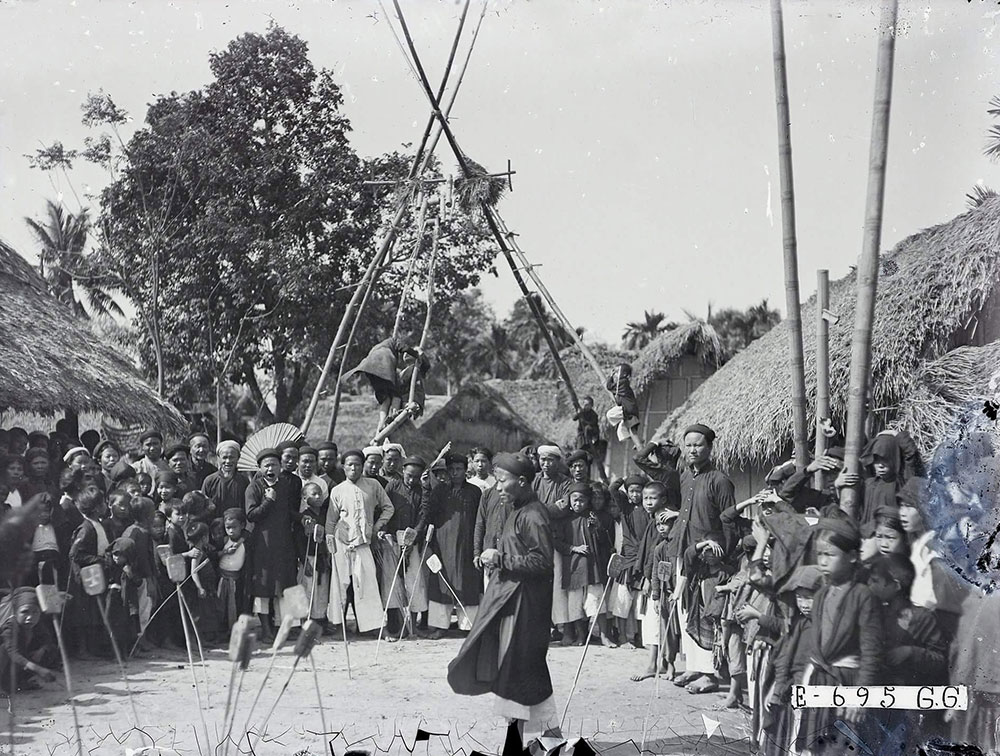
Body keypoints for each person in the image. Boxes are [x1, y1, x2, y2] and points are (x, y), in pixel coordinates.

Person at [447, 451, 561, 739]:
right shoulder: (519, 510)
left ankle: (521, 739)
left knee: (518, 667)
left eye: (501, 481)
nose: (497, 487)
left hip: (526, 606)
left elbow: (543, 562)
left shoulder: (533, 515)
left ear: (522, 481)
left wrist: (501, 559)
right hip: (514, 601)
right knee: (526, 667)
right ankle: (551, 734)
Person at [791, 519, 882, 755]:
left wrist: (861, 697)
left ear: (852, 556)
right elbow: (816, 648)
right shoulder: (821, 595)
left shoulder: (863, 596)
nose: (822, 561)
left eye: (830, 554)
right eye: (819, 554)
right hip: (821, 683)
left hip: (848, 685)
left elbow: (871, 652)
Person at [668, 424, 736, 693]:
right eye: (689, 445)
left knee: (709, 612)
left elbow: (729, 521)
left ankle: (712, 674)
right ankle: (695, 666)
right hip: (686, 552)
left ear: (709, 448)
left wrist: (723, 553)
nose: (692, 450)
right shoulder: (685, 476)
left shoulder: (719, 480)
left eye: (698, 445)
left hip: (709, 556)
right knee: (688, 608)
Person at [326, 450, 395, 635]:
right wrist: (330, 545)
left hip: (363, 543)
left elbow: (388, 508)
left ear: (362, 465)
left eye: (357, 464)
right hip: (341, 544)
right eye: (350, 464)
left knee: (368, 584)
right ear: (344, 466)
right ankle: (338, 627)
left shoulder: (373, 485)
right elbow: (331, 521)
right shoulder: (337, 490)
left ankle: (376, 628)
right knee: (339, 585)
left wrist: (376, 527)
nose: (354, 468)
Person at [419, 451, 482, 638]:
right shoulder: (439, 491)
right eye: (452, 469)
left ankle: (467, 626)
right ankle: (440, 626)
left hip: (467, 544)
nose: (455, 473)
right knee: (441, 581)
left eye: (459, 469)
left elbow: (480, 519)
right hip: (443, 542)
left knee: (468, 581)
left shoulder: (475, 492)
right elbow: (428, 515)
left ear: (465, 471)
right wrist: (425, 489)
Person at [244, 448, 299, 643]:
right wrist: (268, 500)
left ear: (280, 466)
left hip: (283, 542)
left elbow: (288, 511)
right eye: (266, 465)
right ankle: (265, 630)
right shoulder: (254, 488)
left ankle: (285, 627)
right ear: (259, 468)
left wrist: (303, 518)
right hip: (263, 544)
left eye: (274, 464)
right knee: (263, 586)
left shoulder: (284, 485)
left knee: (284, 584)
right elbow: (251, 515)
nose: (270, 468)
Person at [555, 481, 614, 647]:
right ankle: (581, 635)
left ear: (587, 501)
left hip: (592, 566)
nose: (577, 503)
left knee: (596, 600)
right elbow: (557, 542)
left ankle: (604, 635)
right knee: (575, 603)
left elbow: (605, 542)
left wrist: (597, 528)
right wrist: (573, 548)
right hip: (573, 566)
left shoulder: (592, 517)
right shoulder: (564, 520)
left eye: (581, 500)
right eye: (574, 500)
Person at [342, 336, 425, 431]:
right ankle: (393, 415)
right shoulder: (393, 341)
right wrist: (416, 354)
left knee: (385, 398)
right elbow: (404, 347)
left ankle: (381, 423)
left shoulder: (377, 347)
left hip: (368, 368)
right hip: (382, 363)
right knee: (395, 395)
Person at [386, 455, 430, 635]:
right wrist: (389, 535)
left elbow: (423, 516)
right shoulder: (393, 486)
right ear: (402, 470)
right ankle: (395, 626)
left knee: (413, 582)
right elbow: (385, 509)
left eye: (416, 477)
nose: (412, 480)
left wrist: (412, 539)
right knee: (393, 583)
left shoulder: (422, 491)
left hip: (413, 542)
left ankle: (412, 625)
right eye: (409, 475)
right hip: (393, 541)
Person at [0, 587, 59, 693]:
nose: (29, 617)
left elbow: (47, 640)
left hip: (18, 664)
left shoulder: (37, 625)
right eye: (24, 612)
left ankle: (21, 681)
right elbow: (13, 653)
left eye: (35, 612)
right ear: (16, 612)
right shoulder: (9, 627)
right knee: (3, 650)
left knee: (50, 649)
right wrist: (37, 669)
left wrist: (42, 650)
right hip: (7, 662)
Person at [217, 507, 249, 636]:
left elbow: (248, 533)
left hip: (237, 579)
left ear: (241, 525)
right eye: (227, 528)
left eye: (234, 527)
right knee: (221, 606)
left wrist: (240, 541)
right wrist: (225, 551)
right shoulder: (224, 540)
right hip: (222, 578)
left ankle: (234, 631)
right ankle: (222, 632)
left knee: (236, 605)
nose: (230, 531)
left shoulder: (245, 541)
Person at [202, 440, 250, 516]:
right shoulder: (210, 481)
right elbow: (203, 506)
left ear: (238, 458)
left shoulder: (244, 481)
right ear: (218, 458)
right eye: (224, 457)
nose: (228, 461)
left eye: (232, 457)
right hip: (214, 524)